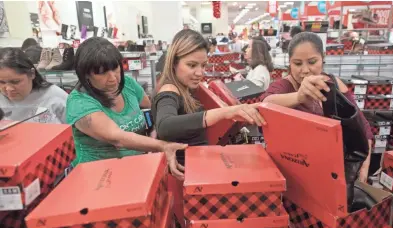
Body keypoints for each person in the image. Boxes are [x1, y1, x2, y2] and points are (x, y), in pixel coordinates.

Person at [65, 37, 187, 179]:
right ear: (85, 74)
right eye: (101, 72)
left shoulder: (127, 84)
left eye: (115, 68)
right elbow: (117, 138)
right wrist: (162, 146)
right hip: (99, 177)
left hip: (135, 169)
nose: (113, 78)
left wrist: (155, 128)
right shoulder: (79, 103)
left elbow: (151, 109)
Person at [261, 32, 373, 182]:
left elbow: (362, 128)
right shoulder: (284, 87)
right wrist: (298, 97)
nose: (305, 70)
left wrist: (363, 169)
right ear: (290, 63)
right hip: (297, 175)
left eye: (312, 62)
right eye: (298, 63)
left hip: (334, 172)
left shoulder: (334, 84)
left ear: (323, 58)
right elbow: (265, 103)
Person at [152, 29, 266, 161]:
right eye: (192, 65)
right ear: (173, 64)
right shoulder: (169, 89)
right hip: (187, 172)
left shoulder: (186, 87)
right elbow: (165, 126)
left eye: (203, 65)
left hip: (199, 163)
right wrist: (224, 112)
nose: (200, 73)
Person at [0, 48, 68, 124]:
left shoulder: (55, 96)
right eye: (1, 82)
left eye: (15, 82)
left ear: (32, 73)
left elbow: (76, 130)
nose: (8, 89)